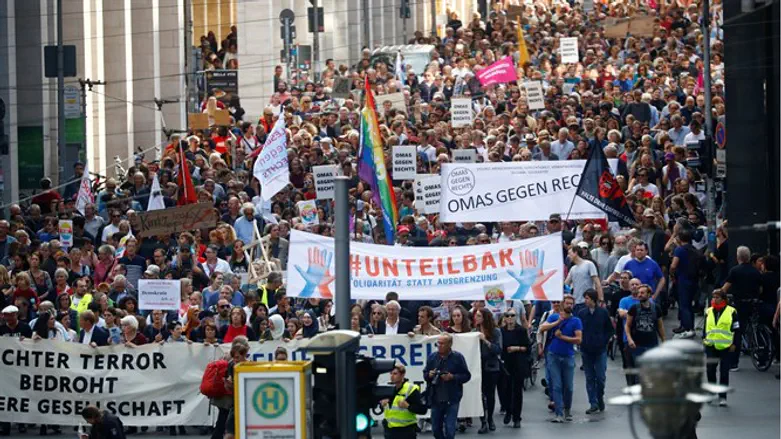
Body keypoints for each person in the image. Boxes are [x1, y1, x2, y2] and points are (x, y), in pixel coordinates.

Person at [539, 295, 582, 423]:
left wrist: (562, 337)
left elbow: (579, 339)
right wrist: (557, 322)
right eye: (567, 303)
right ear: (563, 305)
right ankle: (558, 413)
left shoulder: (576, 321)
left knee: (568, 386)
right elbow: (542, 328)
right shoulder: (554, 317)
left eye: (571, 303)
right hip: (553, 355)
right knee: (556, 385)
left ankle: (567, 410)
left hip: (568, 356)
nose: (569, 305)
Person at [720, 245, 762, 371]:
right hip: (754, 303)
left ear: (738, 257)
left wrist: (719, 294)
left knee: (737, 333)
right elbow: (760, 289)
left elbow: (725, 288)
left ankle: (734, 363)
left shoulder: (735, 270)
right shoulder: (756, 271)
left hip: (740, 304)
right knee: (756, 325)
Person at [423, 333, 471, 439]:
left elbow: (466, 376)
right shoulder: (432, 357)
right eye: (438, 343)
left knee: (450, 429)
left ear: (450, 344)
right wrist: (429, 375)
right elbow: (425, 374)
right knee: (435, 429)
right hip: (436, 398)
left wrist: (452, 377)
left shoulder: (457, 357)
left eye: (442, 343)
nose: (439, 346)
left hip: (452, 398)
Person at [577, 289, 613, 414]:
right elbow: (578, 329)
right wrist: (581, 342)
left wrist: (604, 341)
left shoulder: (603, 313)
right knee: (590, 377)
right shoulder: (582, 313)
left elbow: (609, 329)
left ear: (593, 299)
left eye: (587, 298)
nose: (585, 300)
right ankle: (593, 403)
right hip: (586, 350)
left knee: (600, 377)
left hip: (600, 350)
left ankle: (599, 396)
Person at [702, 289, 738, 406]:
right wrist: (704, 339)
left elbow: (737, 330)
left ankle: (722, 397)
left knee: (724, 372)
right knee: (710, 370)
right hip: (710, 345)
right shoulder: (708, 311)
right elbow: (705, 328)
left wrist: (735, 344)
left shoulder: (732, 312)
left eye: (717, 297)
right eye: (713, 297)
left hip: (726, 346)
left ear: (723, 299)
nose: (714, 300)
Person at [625, 284, 666, 377]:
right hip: (637, 345)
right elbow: (627, 325)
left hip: (652, 345)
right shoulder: (634, 308)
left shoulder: (656, 308)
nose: (639, 295)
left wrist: (664, 341)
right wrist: (629, 339)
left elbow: (660, 326)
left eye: (642, 293)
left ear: (649, 294)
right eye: (639, 293)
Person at [499, 309, 529, 428]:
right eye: (508, 316)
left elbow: (527, 347)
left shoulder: (521, 330)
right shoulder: (502, 331)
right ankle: (508, 410)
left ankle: (517, 417)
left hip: (518, 363)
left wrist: (517, 348)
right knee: (505, 389)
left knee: (517, 391)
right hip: (505, 363)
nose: (510, 318)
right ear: (504, 318)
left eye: (512, 315)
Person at [474, 308, 502, 434]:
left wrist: (485, 340)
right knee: (480, 395)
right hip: (478, 366)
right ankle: (483, 421)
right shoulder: (474, 331)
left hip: (491, 367)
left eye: (479, 315)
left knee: (490, 394)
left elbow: (498, 349)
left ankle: (490, 418)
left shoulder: (495, 332)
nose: (476, 317)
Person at [381, 364, 427, 439]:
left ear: (402, 375)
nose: (392, 376)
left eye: (395, 374)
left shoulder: (411, 389)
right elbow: (386, 409)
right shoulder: (387, 389)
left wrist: (408, 406)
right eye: (391, 373)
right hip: (390, 431)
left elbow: (422, 409)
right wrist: (382, 404)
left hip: (406, 431)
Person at [565, 245, 603, 315]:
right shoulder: (573, 269)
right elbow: (566, 284)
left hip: (588, 302)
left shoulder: (589, 264)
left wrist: (601, 299)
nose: (568, 256)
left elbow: (597, 282)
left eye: (569, 253)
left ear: (575, 253)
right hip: (576, 303)